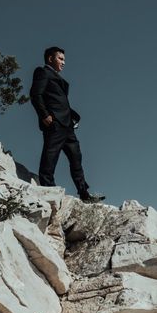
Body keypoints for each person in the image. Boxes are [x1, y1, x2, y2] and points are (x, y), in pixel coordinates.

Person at [30, 46, 104, 203]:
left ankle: (84, 193)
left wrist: (73, 115)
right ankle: (48, 187)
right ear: (50, 59)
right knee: (51, 155)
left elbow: (59, 101)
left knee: (76, 157)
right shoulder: (42, 72)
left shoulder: (57, 78)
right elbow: (36, 95)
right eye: (60, 59)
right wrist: (45, 115)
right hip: (54, 123)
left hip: (67, 125)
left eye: (64, 59)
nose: (64, 63)